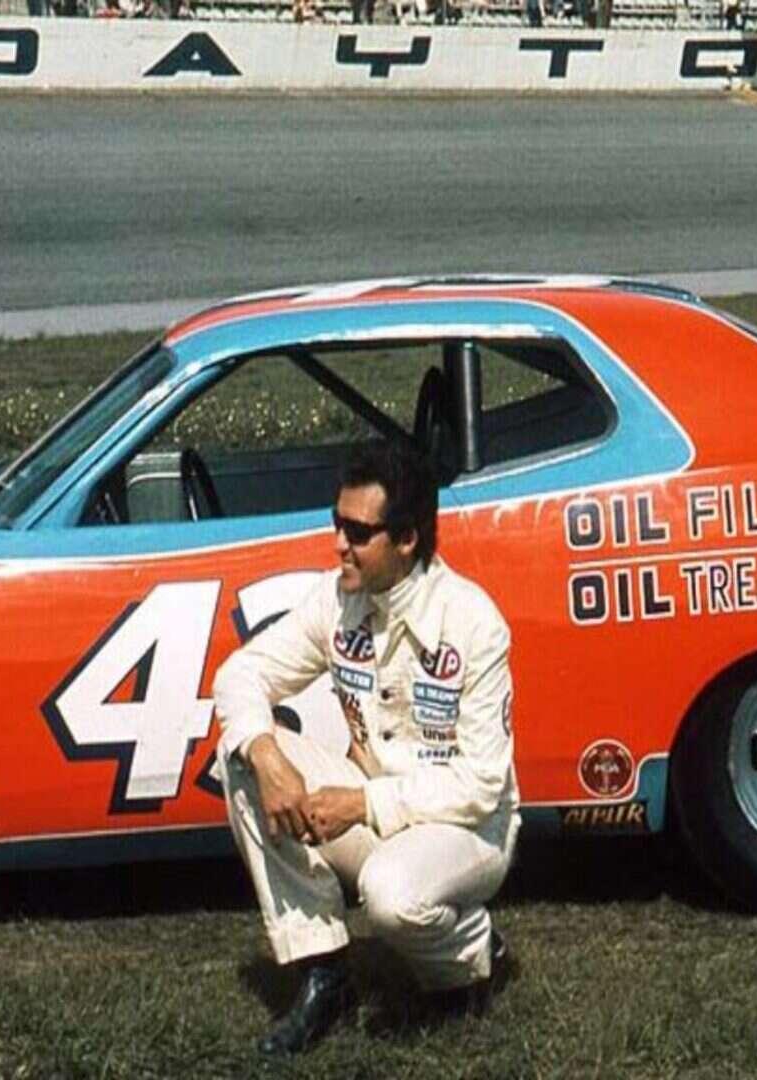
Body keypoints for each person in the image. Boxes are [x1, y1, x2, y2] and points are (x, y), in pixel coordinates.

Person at [214, 440, 519, 1056]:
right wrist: (270, 759)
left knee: (390, 895)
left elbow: (481, 784)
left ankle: (471, 955)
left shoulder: (473, 622)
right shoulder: (336, 598)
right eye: (336, 524)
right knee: (239, 756)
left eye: (357, 532)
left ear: (406, 539)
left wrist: (361, 803)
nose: (338, 545)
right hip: (378, 813)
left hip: (467, 829)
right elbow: (240, 675)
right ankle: (324, 970)